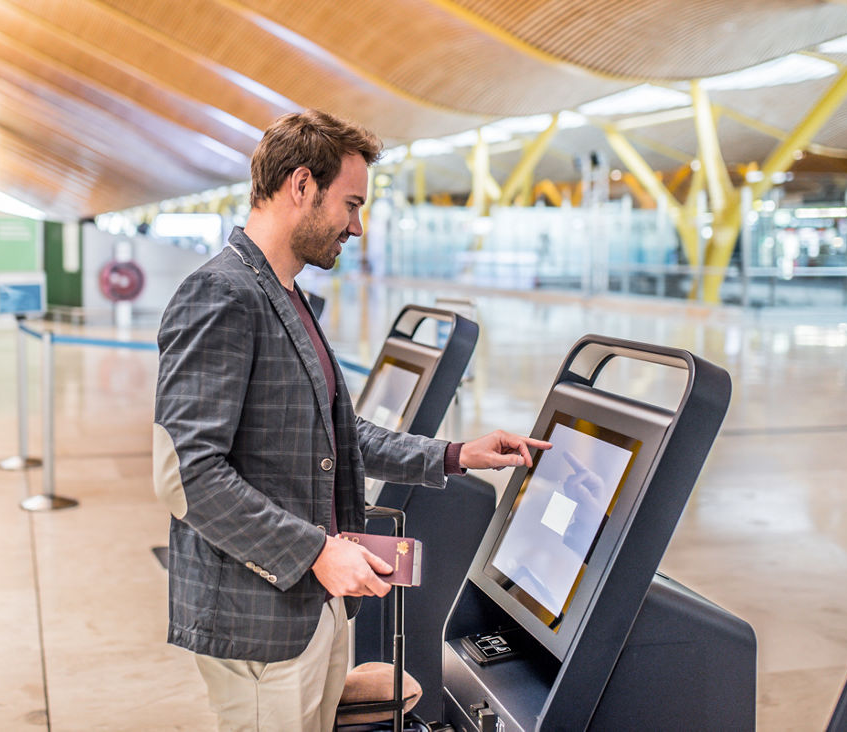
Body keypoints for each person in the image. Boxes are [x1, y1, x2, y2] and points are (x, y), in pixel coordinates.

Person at [153, 109, 550, 732]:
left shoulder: (284, 295)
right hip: (261, 617)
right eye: (352, 204)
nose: (357, 227)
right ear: (302, 186)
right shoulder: (222, 293)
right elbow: (189, 474)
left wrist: (455, 455)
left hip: (310, 604)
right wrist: (313, 552)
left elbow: (338, 435)